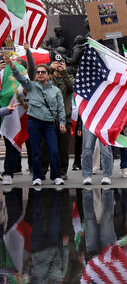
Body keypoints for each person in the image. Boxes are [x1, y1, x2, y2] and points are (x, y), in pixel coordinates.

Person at [4, 53, 66, 186]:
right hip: (34, 123)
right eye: (38, 72)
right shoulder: (30, 86)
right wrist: (12, 65)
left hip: (49, 124)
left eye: (43, 72)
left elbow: (61, 108)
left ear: (48, 75)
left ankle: (56, 176)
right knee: (36, 151)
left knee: (54, 150)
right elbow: (20, 77)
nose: (40, 74)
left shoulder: (55, 90)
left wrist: (62, 122)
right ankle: (37, 176)